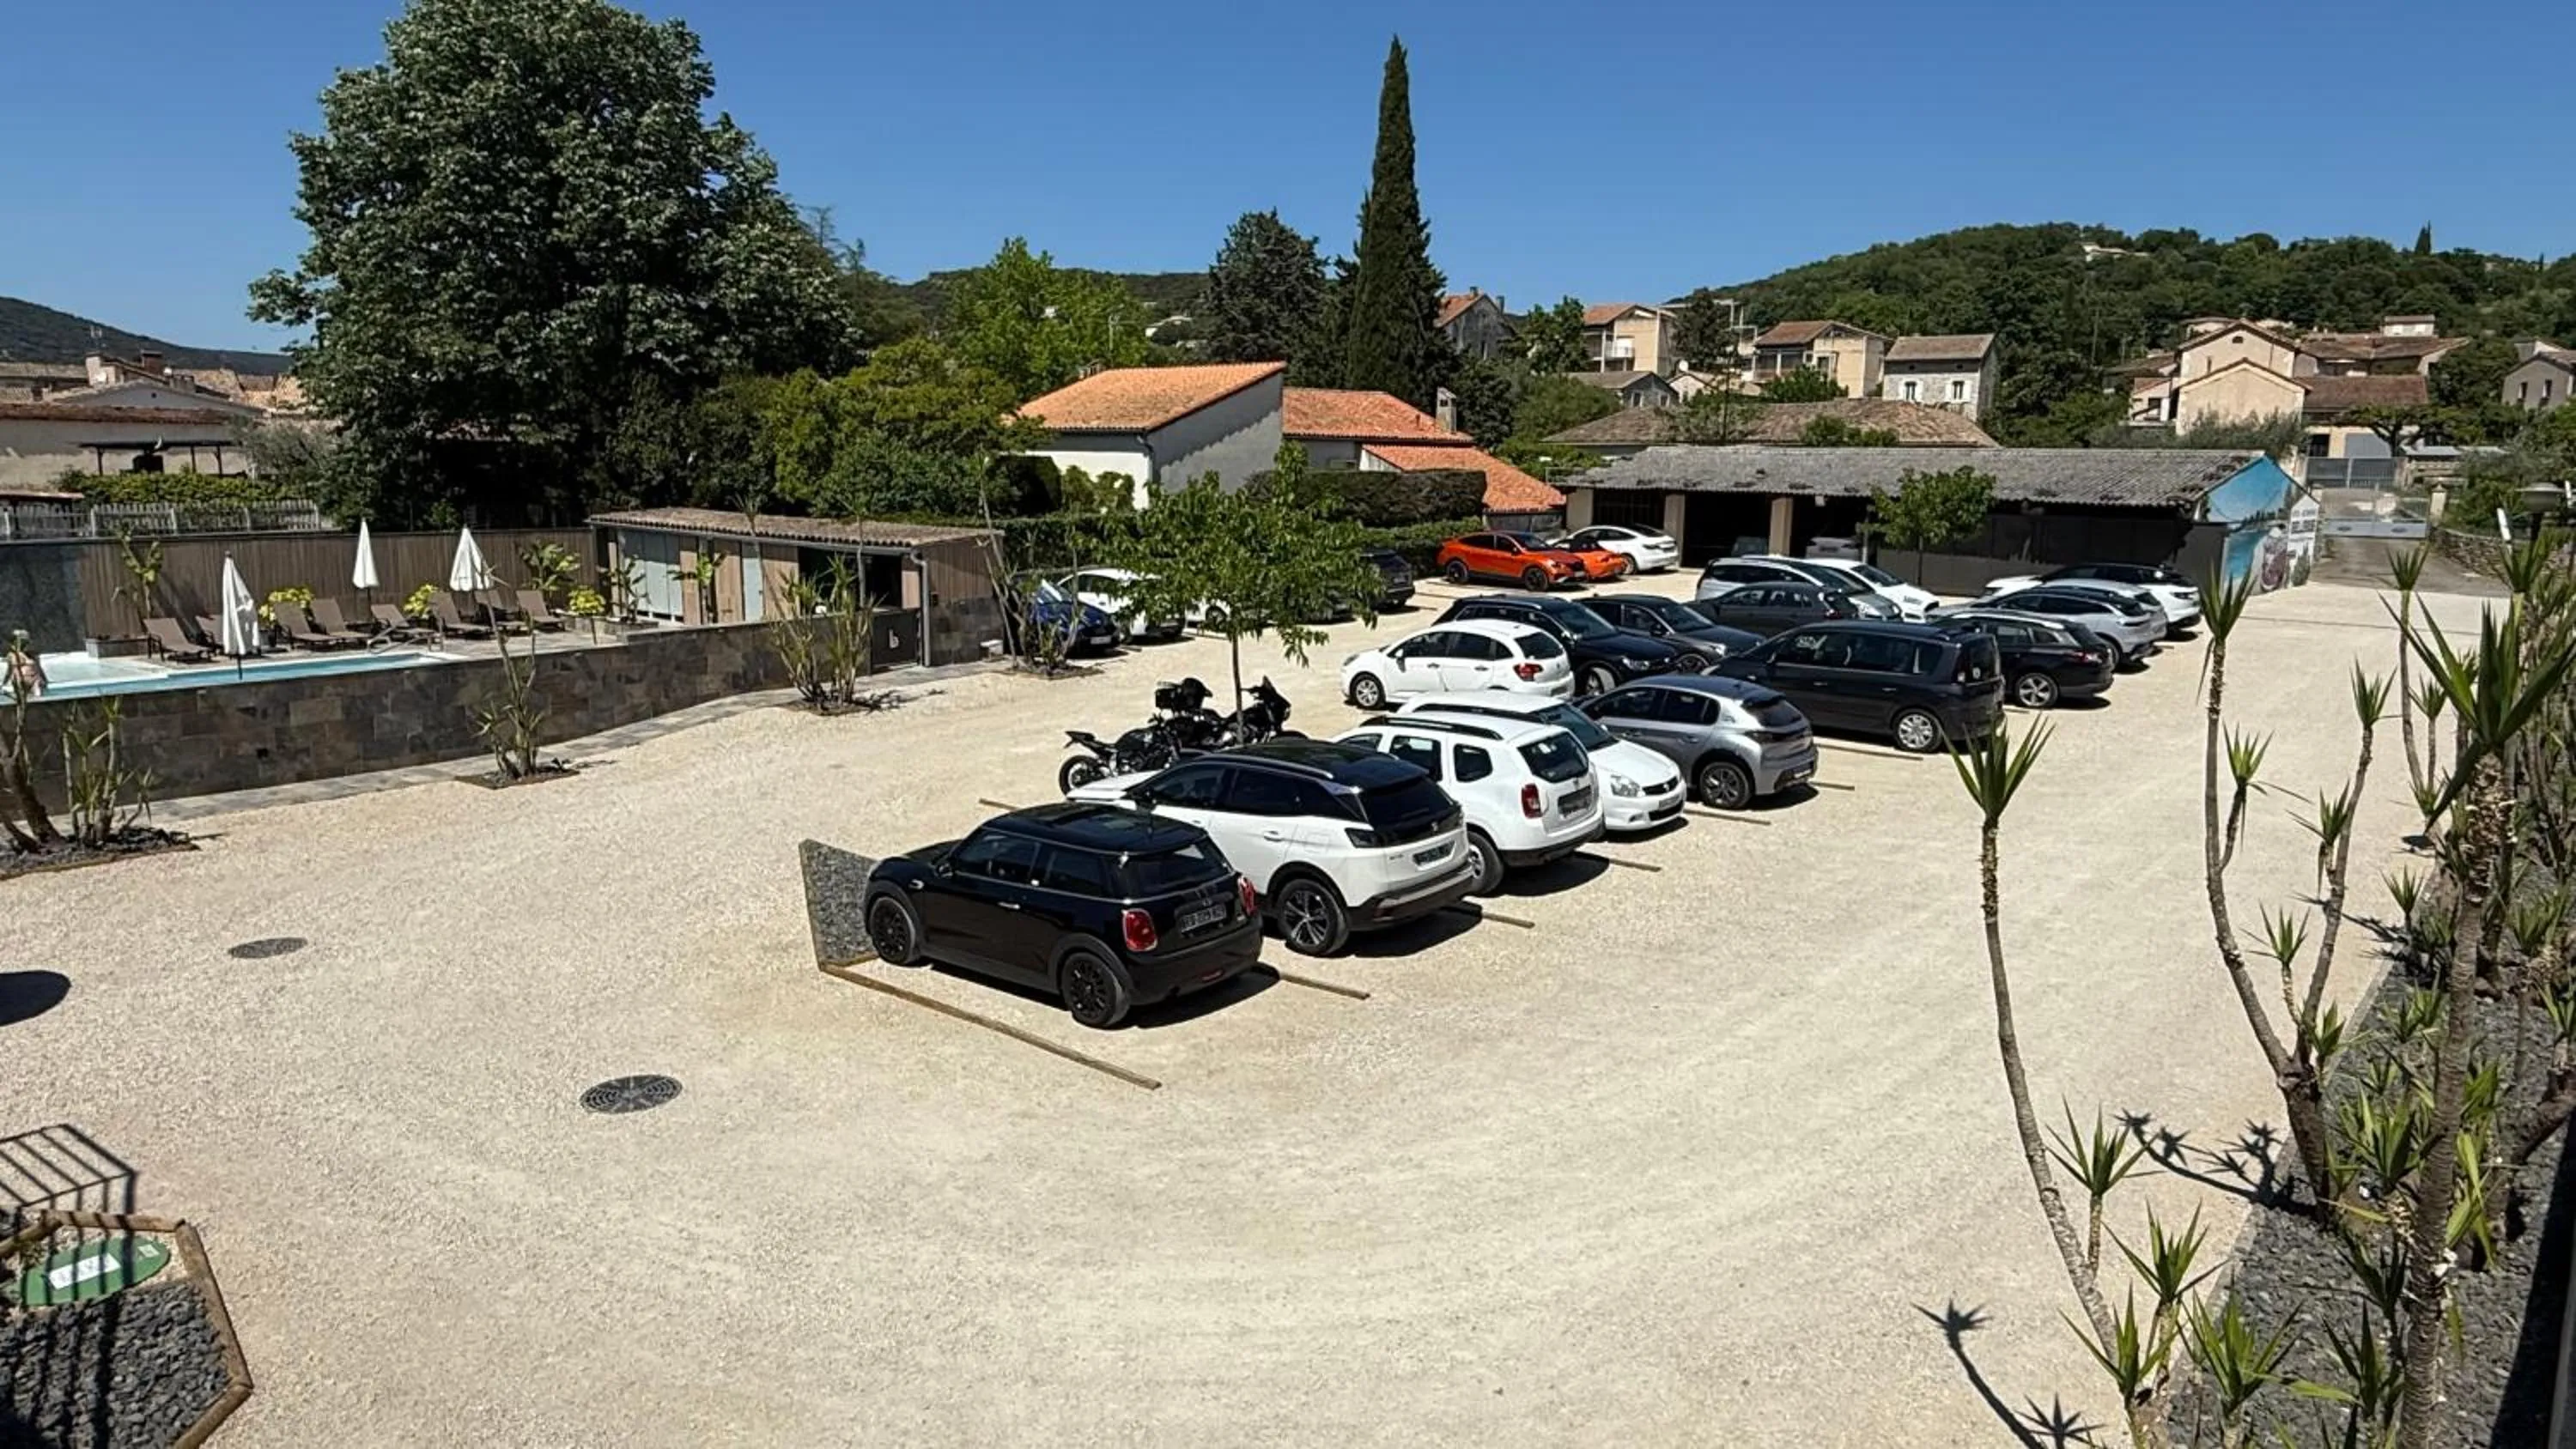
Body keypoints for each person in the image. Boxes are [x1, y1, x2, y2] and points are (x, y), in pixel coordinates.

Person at [4, 630, 45, 700]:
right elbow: (9, 670)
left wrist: (44, 679)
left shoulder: (33, 655)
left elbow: (39, 668)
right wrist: (4, 683)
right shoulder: (11, 656)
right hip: (20, 681)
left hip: (34, 680)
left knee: (37, 696)